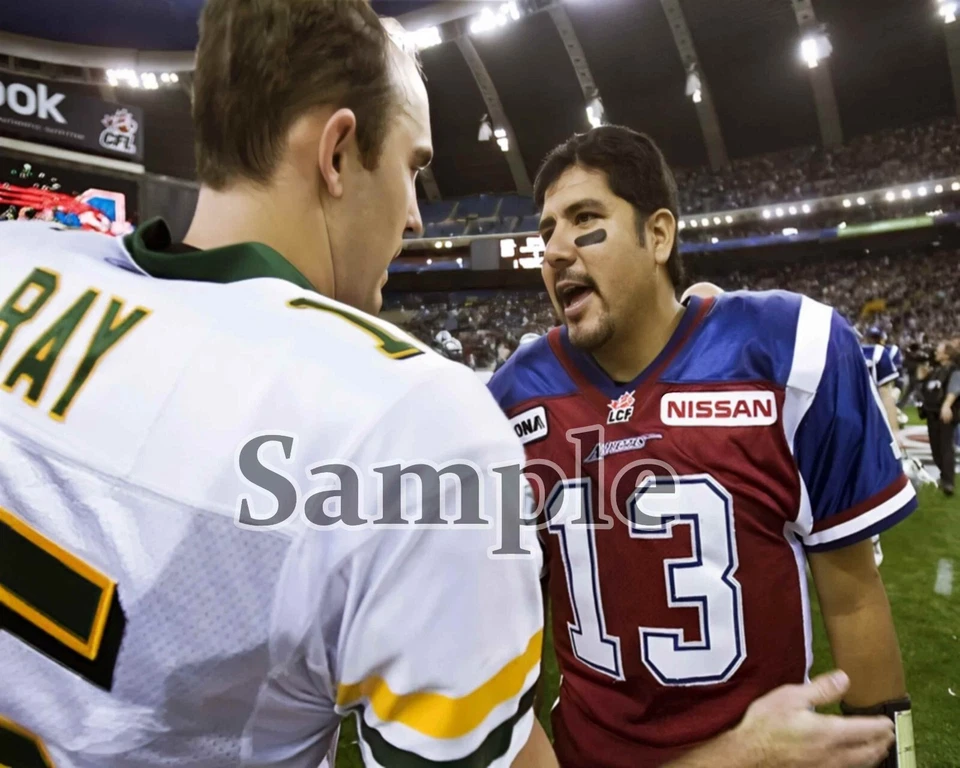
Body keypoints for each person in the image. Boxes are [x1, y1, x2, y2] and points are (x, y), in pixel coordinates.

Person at [0, 2, 553, 766]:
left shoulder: (14, 258)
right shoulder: (413, 425)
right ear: (337, 152)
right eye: (413, 166)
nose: (418, 217)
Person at [490, 126, 913, 768]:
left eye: (585, 219)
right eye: (547, 230)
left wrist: (892, 753)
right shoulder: (512, 398)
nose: (554, 250)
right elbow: (504, 635)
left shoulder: (787, 350)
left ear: (658, 235)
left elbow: (853, 590)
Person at [860, 326, 904, 567]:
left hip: (851, 427)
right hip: (866, 427)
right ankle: (870, 541)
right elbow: (887, 394)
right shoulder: (878, 354)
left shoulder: (865, 352)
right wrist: (894, 430)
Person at [918, 340, 959, 496]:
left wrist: (947, 405)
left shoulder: (954, 370)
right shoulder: (936, 370)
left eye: (939, 350)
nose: (936, 352)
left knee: (945, 447)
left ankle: (948, 483)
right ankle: (944, 477)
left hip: (945, 412)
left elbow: (955, 388)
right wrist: (922, 378)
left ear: (947, 354)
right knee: (936, 450)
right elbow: (927, 390)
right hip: (932, 412)